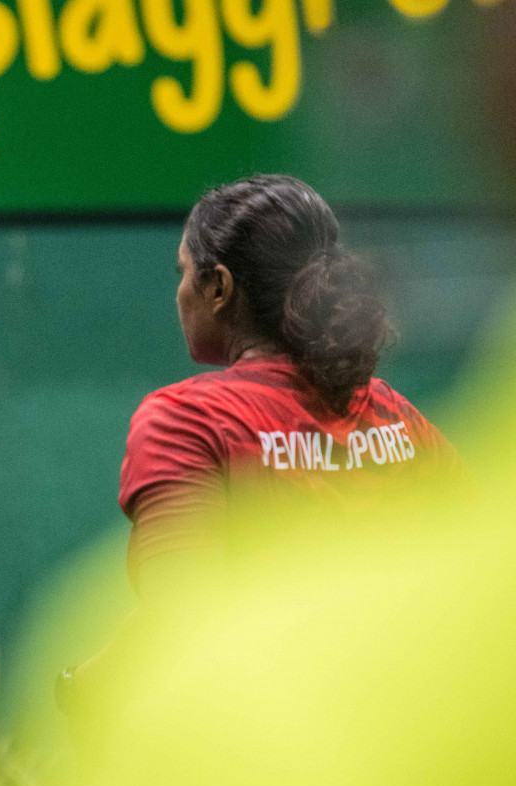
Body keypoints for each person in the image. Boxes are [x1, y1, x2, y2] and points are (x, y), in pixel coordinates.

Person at [58, 174, 459, 721]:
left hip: (275, 760)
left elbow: (181, 624)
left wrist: (80, 688)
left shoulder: (187, 420)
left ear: (218, 287)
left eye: (183, 273)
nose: (179, 292)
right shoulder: (398, 416)